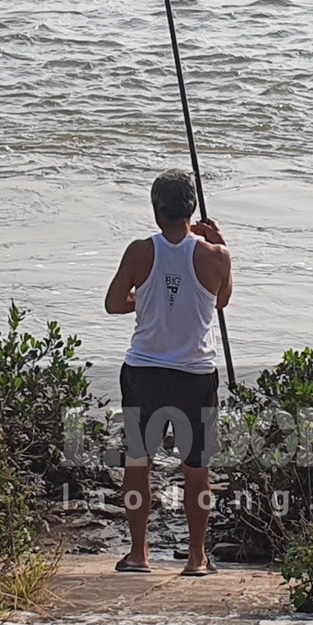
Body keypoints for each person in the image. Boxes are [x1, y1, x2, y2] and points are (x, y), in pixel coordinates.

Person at [103, 168, 233, 576]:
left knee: (138, 462)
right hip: (195, 374)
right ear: (191, 211)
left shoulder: (141, 251)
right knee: (197, 468)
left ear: (157, 211)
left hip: (144, 371)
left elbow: (113, 303)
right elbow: (221, 300)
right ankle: (196, 558)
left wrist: (146, 300)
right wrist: (221, 246)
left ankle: (139, 553)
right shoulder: (216, 256)